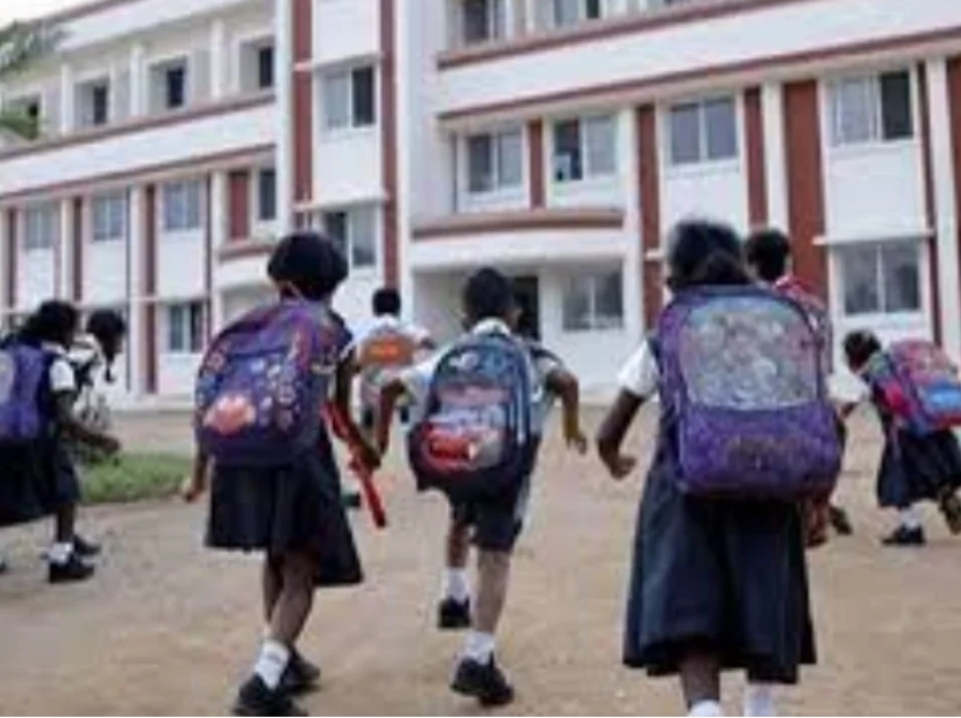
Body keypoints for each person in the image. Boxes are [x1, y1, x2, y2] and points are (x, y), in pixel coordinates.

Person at [597, 221, 817, 717]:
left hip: (686, 494)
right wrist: (814, 501)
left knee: (692, 612)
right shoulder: (778, 327)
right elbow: (815, 418)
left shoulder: (670, 331)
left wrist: (613, 459)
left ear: (675, 277)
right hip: (769, 490)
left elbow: (610, 430)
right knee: (764, 598)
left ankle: (705, 710)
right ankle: (760, 709)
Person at [183, 231, 379, 717]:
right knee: (301, 570)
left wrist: (199, 472)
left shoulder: (247, 326)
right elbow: (339, 411)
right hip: (297, 458)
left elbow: (208, 401)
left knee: (275, 557)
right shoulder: (333, 330)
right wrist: (365, 448)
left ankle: (283, 657)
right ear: (332, 285)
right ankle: (263, 683)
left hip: (240, 459)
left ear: (279, 280)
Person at [375, 267, 587, 708]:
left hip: (457, 460)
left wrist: (377, 445)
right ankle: (477, 657)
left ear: (465, 316)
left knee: (459, 516)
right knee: (494, 556)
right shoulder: (527, 353)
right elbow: (567, 382)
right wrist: (571, 425)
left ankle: (453, 595)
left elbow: (391, 387)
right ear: (514, 312)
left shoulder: (454, 354)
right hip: (504, 469)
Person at [745, 227, 853, 540]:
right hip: (815, 403)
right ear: (787, 261)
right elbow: (825, 362)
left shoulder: (755, 305)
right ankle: (820, 508)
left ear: (752, 265)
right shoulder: (812, 301)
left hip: (772, 405)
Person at [17, 301, 122, 583]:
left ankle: (68, 538)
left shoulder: (20, 347)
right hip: (37, 434)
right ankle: (62, 558)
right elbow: (65, 413)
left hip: (9, 430)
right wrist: (98, 439)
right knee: (66, 490)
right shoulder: (69, 357)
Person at [841, 330, 961, 546]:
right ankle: (946, 494)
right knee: (936, 472)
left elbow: (883, 399)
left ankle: (912, 528)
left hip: (904, 435)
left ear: (853, 359)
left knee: (896, 483)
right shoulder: (892, 360)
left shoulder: (874, 371)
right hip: (932, 426)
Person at [69, 309, 128, 466]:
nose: (120, 349)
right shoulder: (85, 352)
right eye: (119, 340)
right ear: (110, 336)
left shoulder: (89, 354)